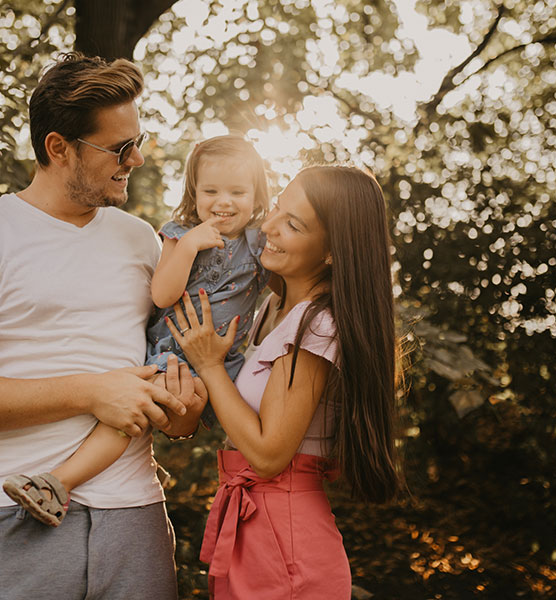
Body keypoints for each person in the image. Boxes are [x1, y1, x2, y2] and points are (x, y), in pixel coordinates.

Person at [0, 53, 204, 600]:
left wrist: (182, 412)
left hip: (135, 521)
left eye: (138, 140)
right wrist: (92, 391)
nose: (136, 158)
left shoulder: (144, 240)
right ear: (58, 148)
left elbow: (170, 397)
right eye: (119, 148)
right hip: (5, 514)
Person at [2, 135, 272, 527]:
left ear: (256, 194)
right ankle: (57, 484)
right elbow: (162, 294)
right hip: (172, 353)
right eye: (211, 190)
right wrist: (190, 247)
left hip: (221, 364)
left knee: (225, 419)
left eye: (237, 191)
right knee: (131, 415)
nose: (223, 202)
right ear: (194, 194)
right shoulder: (178, 234)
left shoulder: (258, 245)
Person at [166, 165, 403, 599]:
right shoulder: (271, 309)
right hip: (253, 525)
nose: (269, 226)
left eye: (292, 224)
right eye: (276, 207)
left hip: (287, 542)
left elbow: (270, 454)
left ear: (332, 251)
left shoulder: (319, 325)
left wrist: (211, 366)